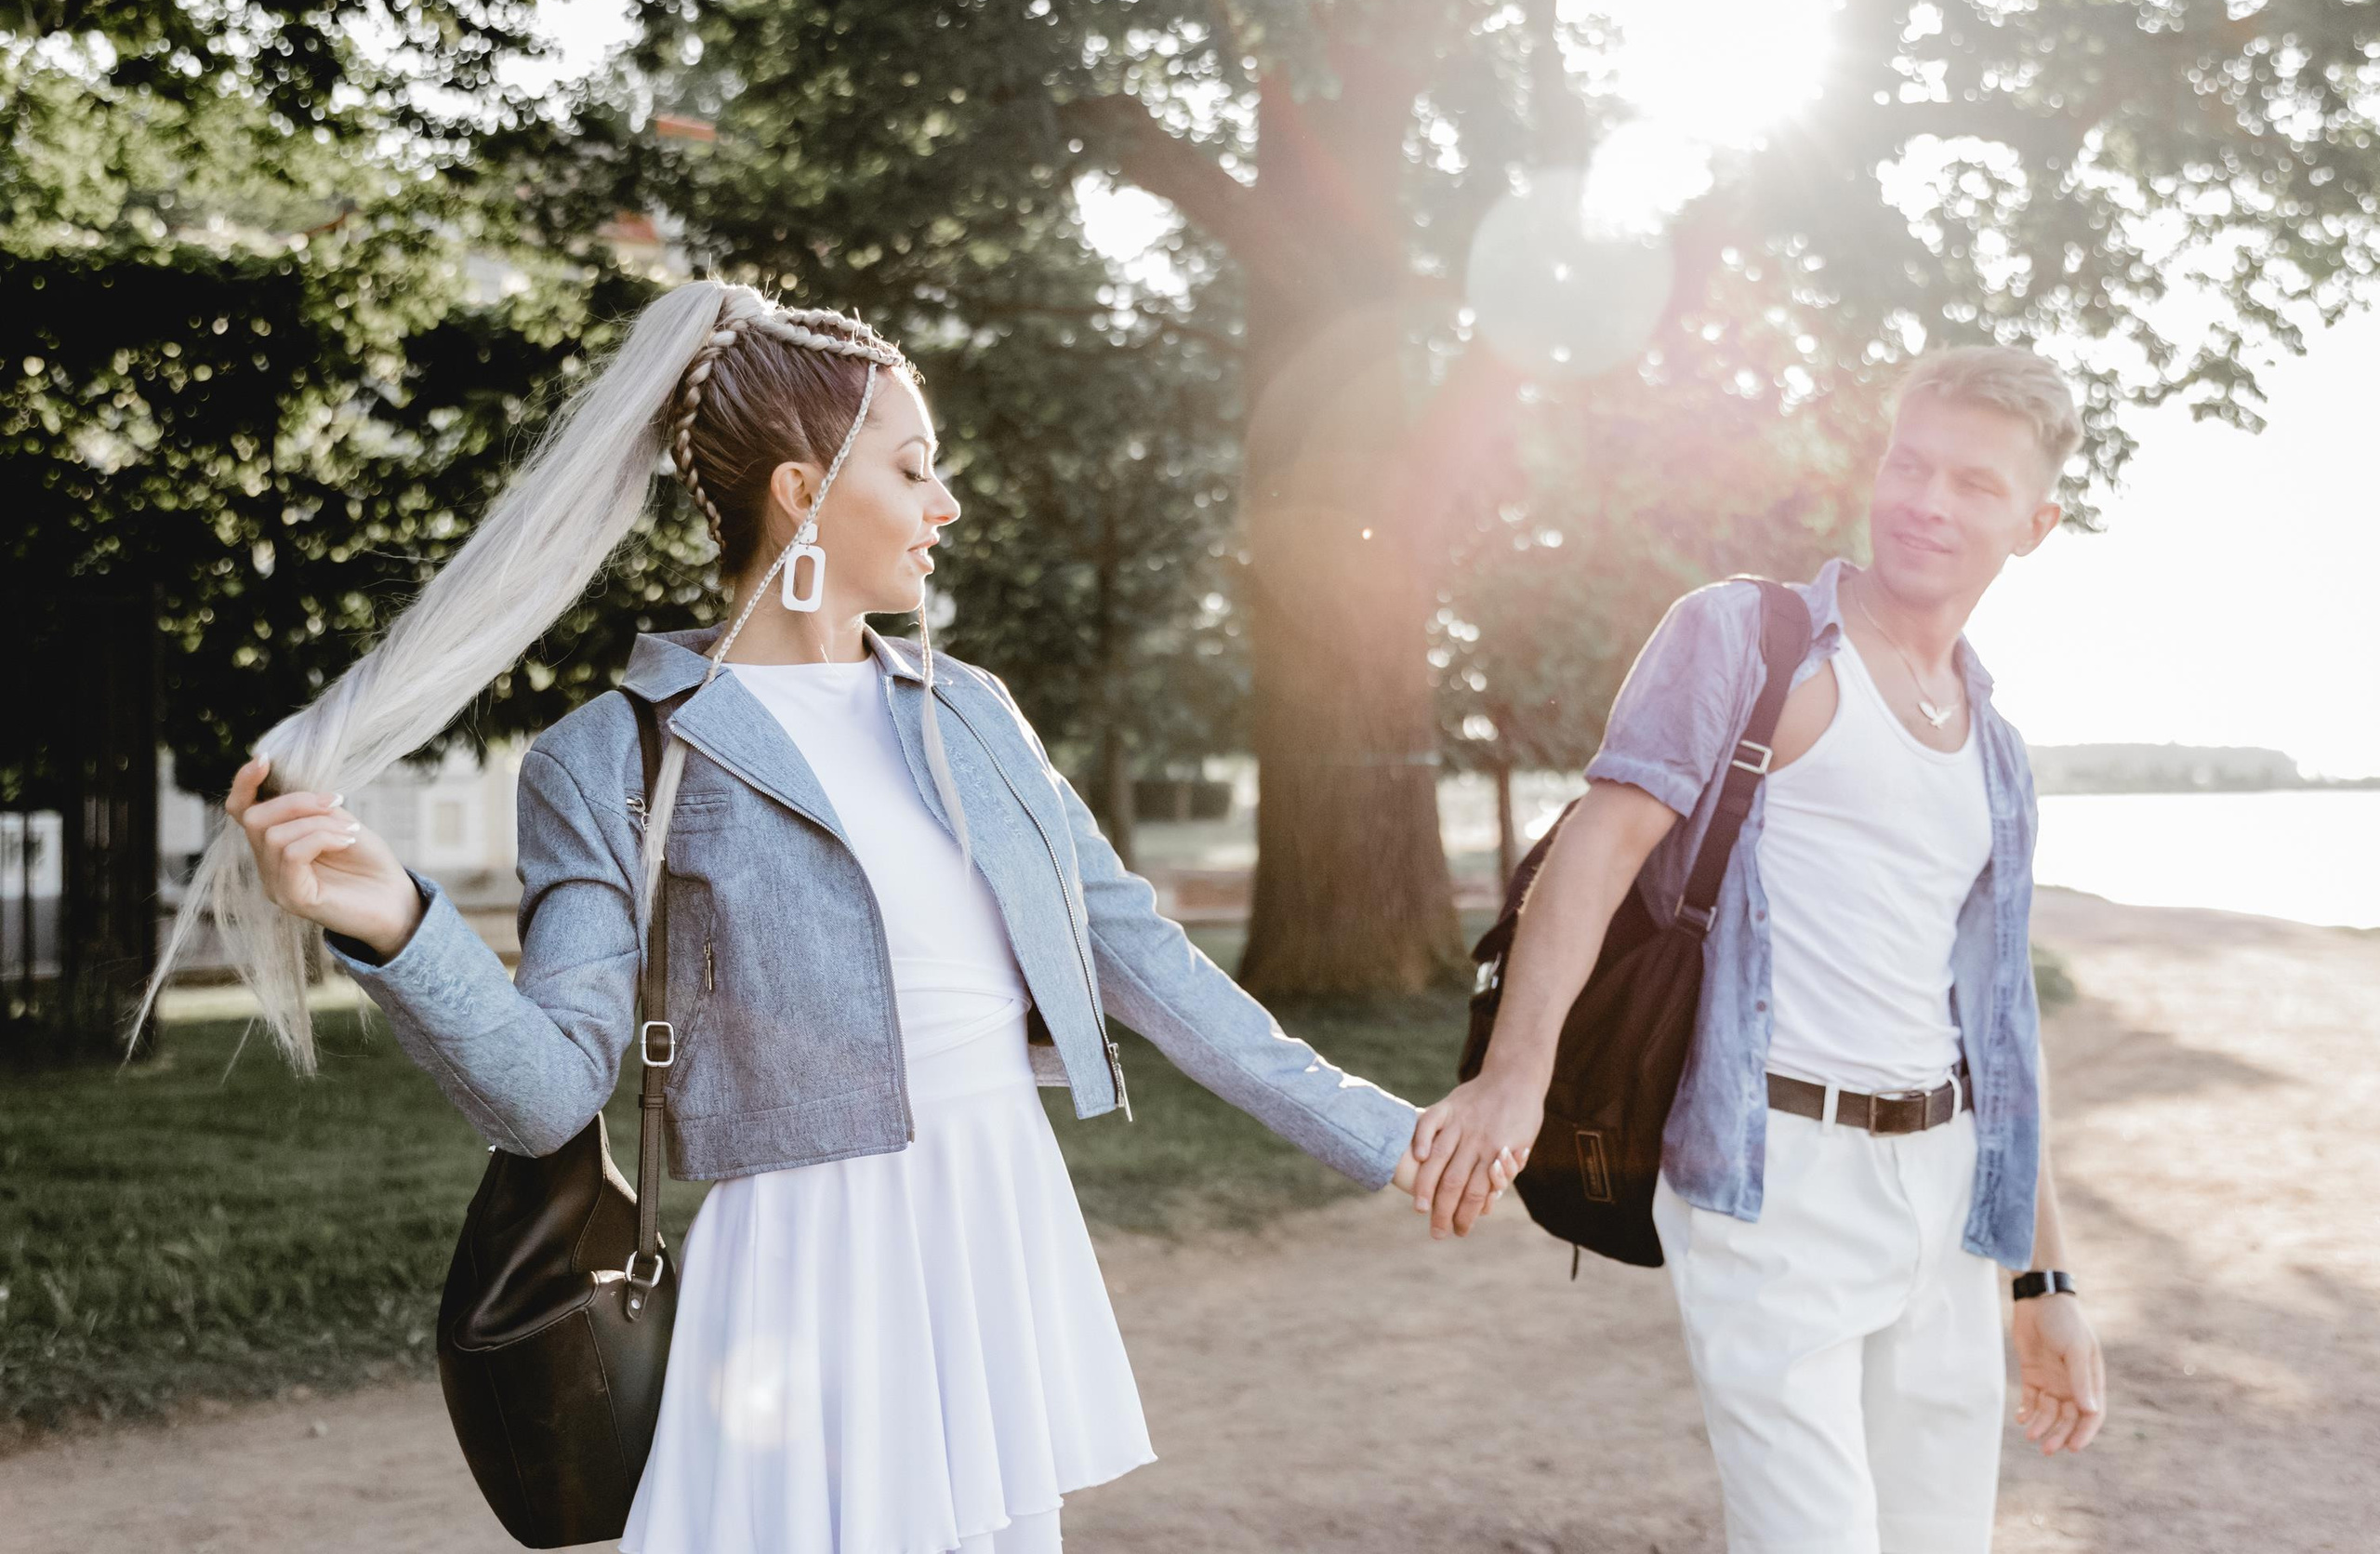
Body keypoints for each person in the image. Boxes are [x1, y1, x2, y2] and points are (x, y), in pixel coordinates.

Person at [163, 280, 1516, 1554]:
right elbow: (544, 1095)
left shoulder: (973, 713)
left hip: (997, 1227)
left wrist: (1383, 1131)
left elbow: (1146, 963)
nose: (947, 502)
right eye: (913, 467)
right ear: (803, 494)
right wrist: (395, 919)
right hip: (807, 1268)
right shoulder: (611, 757)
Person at [1408, 346, 2109, 1552]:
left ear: (2034, 525)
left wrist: (2043, 1281)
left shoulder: (1997, 752)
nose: (1928, 502)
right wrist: (1513, 1075)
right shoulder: (1749, 639)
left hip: (1941, 1191)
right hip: (1766, 1170)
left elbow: (2001, 1031)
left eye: (1975, 485)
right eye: (1910, 463)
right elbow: (1599, 847)